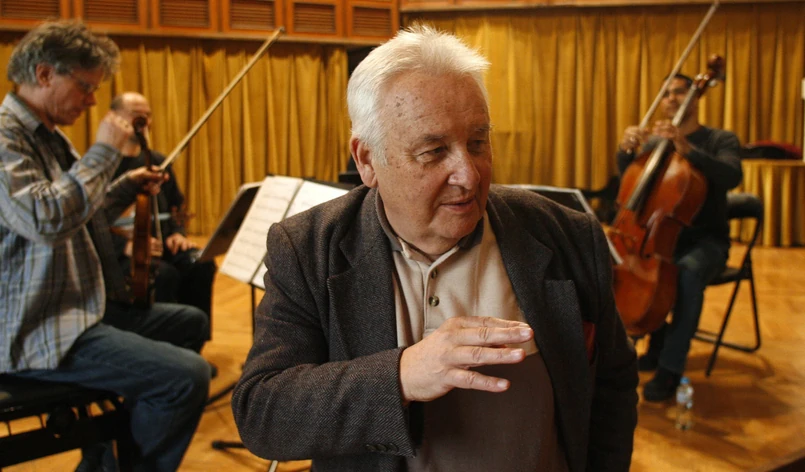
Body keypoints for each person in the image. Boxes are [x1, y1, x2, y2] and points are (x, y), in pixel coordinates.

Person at [233, 25, 638, 471]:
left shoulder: (568, 235)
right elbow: (262, 414)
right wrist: (402, 376)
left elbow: (613, 388)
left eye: (478, 142)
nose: (469, 174)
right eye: (433, 151)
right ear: (367, 160)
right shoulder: (308, 247)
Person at [0, 20, 210, 471]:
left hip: (75, 309)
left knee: (189, 323)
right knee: (185, 377)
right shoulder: (5, 139)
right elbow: (45, 219)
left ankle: (104, 454)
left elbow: (80, 211)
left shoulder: (47, 136)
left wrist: (123, 187)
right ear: (44, 74)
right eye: (85, 87)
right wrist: (104, 154)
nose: (92, 100)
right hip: (34, 329)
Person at [616, 73, 743, 401]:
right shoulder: (655, 145)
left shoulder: (719, 139)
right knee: (630, 268)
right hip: (655, 240)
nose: (671, 98)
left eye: (678, 92)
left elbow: (732, 176)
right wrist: (626, 152)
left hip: (706, 242)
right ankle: (648, 347)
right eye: (666, 93)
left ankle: (670, 368)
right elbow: (632, 186)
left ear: (695, 97)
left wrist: (688, 150)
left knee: (686, 274)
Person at [109, 92, 217, 329]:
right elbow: (91, 223)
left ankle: (195, 335)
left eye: (148, 116)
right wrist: (126, 246)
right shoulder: (104, 166)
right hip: (122, 252)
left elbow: (177, 205)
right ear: (114, 118)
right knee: (164, 275)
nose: (144, 122)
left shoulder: (157, 160)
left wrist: (177, 233)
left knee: (201, 264)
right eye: (137, 115)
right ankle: (163, 335)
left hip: (162, 245)